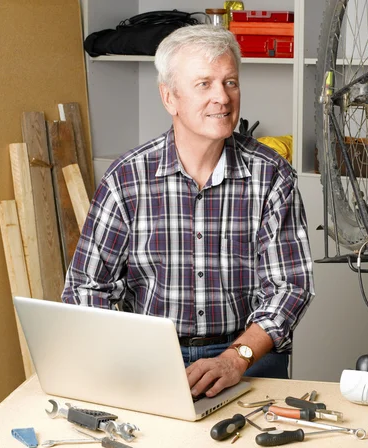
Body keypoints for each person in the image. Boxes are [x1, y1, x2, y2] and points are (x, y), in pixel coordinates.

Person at [62, 24, 314, 399]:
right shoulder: (126, 178)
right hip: (151, 356)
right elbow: (85, 288)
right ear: (169, 98)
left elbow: (290, 287)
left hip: (248, 354)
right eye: (204, 84)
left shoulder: (272, 175)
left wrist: (236, 357)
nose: (222, 99)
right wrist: (128, 355)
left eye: (230, 82)